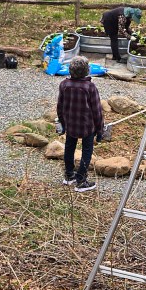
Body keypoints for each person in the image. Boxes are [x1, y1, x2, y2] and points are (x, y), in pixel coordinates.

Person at [56, 56, 105, 193]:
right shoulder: (90, 87)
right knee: (87, 151)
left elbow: (60, 106)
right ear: (87, 70)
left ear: (70, 70)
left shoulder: (64, 85)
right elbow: (97, 110)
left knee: (69, 148)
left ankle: (69, 175)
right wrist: (100, 130)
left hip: (71, 124)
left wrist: (62, 122)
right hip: (87, 126)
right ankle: (81, 180)